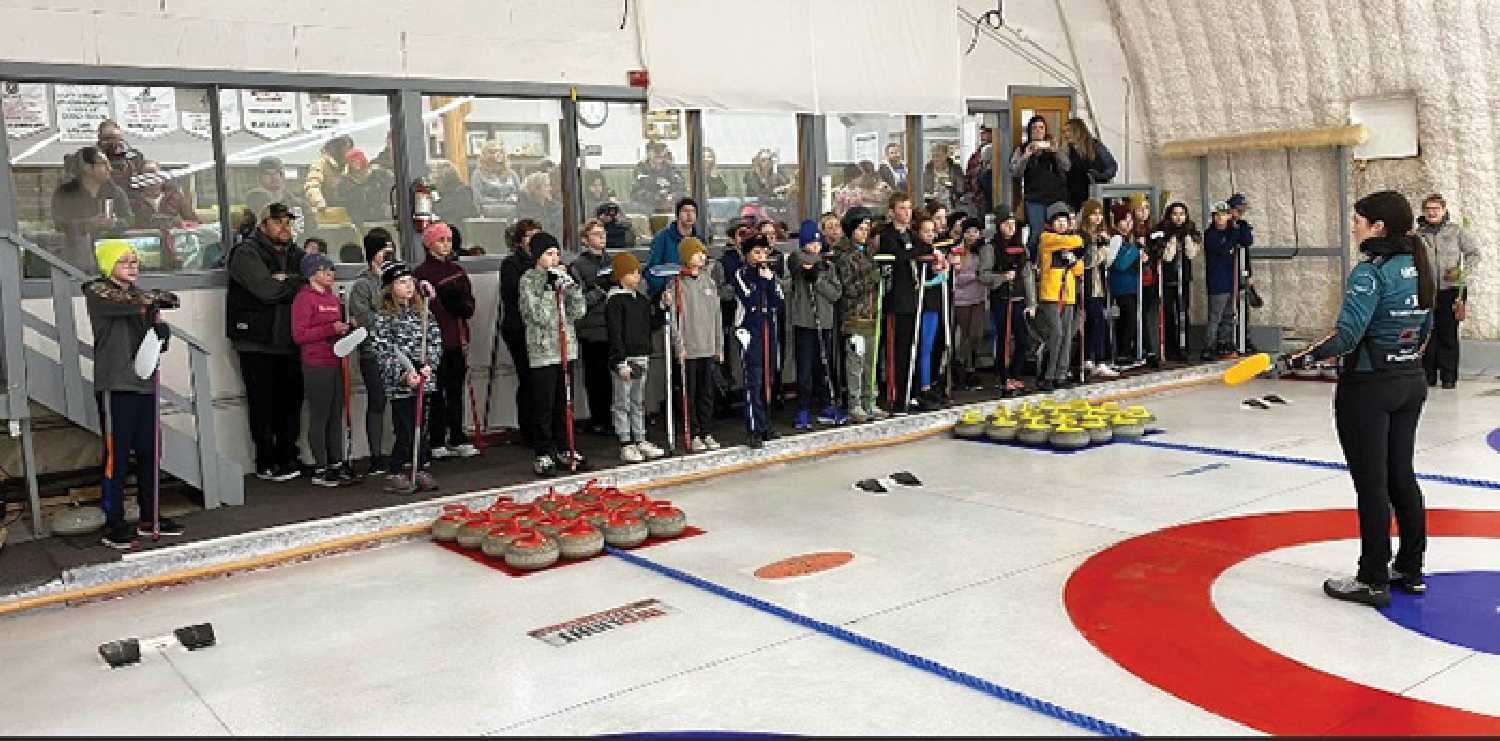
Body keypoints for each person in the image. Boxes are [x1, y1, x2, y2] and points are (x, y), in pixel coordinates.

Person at [1284, 191, 1435, 608]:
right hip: (1410, 382)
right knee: (1401, 475)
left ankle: (1371, 578)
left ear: (1378, 227)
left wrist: (1300, 357)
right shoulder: (1418, 264)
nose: (1354, 226)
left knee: (1372, 484)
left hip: (1368, 389)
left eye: (1359, 220)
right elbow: (1425, 329)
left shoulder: (1370, 272)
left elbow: (1347, 335)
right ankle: (1410, 567)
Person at [84, 240, 185, 549]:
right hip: (116, 384)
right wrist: (152, 301)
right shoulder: (97, 291)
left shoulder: (141, 299)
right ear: (108, 265)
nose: (132, 266)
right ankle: (113, 522)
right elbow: (130, 302)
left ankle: (149, 516)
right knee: (117, 457)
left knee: (150, 452)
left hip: (145, 384)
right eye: (124, 261)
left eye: (135, 261)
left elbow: (171, 300)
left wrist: (160, 337)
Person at [226, 203, 308, 482]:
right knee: (263, 403)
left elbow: (314, 280)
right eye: (277, 221)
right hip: (257, 341)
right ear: (262, 224)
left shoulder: (297, 253)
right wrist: (293, 283)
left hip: (290, 340)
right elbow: (266, 290)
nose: (285, 227)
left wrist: (289, 280)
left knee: (291, 403)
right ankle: (266, 461)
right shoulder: (245, 252)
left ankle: (289, 456)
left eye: (288, 221)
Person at [520, 232, 588, 476]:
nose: (555, 258)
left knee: (564, 403)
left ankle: (565, 447)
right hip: (542, 351)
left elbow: (578, 312)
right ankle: (543, 452)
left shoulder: (563, 276)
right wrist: (551, 290)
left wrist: (572, 290)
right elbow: (537, 315)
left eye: (556, 253)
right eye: (549, 254)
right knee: (544, 405)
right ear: (538, 257)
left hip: (565, 349)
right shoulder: (528, 280)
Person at [371, 260, 441, 492]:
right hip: (401, 385)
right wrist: (403, 375)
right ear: (390, 287)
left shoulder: (423, 312)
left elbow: (434, 340)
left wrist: (429, 365)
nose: (409, 286)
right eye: (401, 282)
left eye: (410, 281)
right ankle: (396, 469)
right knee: (406, 429)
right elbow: (384, 352)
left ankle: (418, 467)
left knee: (423, 427)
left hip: (424, 381)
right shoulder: (384, 317)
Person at [412, 222, 480, 460]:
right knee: (435, 391)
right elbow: (419, 307)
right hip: (433, 341)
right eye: (441, 240)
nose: (446, 245)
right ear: (430, 244)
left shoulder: (458, 271)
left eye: (449, 240)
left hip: (455, 337)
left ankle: (458, 436)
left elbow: (469, 302)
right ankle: (437, 438)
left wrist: (463, 306)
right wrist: (438, 301)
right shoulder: (421, 274)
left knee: (455, 389)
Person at [291, 251, 353, 487]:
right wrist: (330, 329)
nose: (330, 274)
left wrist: (347, 328)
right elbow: (299, 335)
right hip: (316, 362)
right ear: (311, 274)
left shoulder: (332, 298)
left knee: (335, 413)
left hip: (336, 360)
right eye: (323, 270)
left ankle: (336, 461)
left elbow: (336, 325)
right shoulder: (304, 299)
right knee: (320, 415)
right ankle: (321, 465)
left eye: (331, 269)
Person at [663, 237, 726, 449]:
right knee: (689, 394)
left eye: (703, 252)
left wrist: (719, 346)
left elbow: (717, 316)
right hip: (689, 350)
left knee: (706, 393)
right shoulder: (676, 284)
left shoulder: (709, 282)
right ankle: (694, 433)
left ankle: (707, 431)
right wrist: (678, 346)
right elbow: (673, 319)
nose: (702, 256)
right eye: (696, 252)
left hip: (708, 347)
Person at [782, 221, 845, 429]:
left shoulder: (828, 265)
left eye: (818, 243)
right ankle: (803, 409)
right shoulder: (796, 258)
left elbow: (835, 293)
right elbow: (798, 268)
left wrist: (818, 278)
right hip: (805, 322)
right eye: (812, 243)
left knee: (824, 366)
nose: (816, 247)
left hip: (824, 322)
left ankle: (827, 404)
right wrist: (810, 270)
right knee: (805, 369)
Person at [605, 252, 666, 463]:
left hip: (642, 356)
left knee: (638, 401)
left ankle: (640, 438)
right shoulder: (614, 301)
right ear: (620, 276)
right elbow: (615, 333)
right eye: (631, 273)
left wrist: (661, 307)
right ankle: (625, 441)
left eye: (638, 273)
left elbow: (652, 325)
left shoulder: (641, 300)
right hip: (625, 358)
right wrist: (620, 361)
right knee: (622, 401)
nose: (636, 277)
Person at [875, 193, 934, 412]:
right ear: (892, 212)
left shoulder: (911, 234)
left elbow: (925, 248)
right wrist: (913, 252)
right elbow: (899, 257)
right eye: (902, 208)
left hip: (913, 299)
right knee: (896, 350)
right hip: (896, 301)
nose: (907, 212)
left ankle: (913, 392)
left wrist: (923, 253)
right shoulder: (887, 235)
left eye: (909, 208)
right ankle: (896, 395)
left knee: (913, 347)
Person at [1416, 193, 1480, 389]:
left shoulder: (1456, 231)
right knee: (1428, 333)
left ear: (1444, 210)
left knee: (1448, 333)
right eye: (1428, 209)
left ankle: (1449, 377)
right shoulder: (1418, 235)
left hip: (1452, 290)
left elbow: (1473, 254)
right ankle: (1428, 376)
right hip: (1427, 290)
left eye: (1436, 208)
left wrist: (1462, 272)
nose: (1432, 212)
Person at [348, 229, 394, 475]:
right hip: (372, 351)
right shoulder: (362, 285)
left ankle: (400, 450)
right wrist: (388, 317)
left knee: (400, 401)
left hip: (399, 349)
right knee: (377, 401)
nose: (388, 255)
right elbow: (364, 319)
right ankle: (376, 455)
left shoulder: (398, 279)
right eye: (384, 250)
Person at [833, 207, 884, 423]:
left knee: (870, 361)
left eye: (867, 228)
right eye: (861, 228)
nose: (865, 232)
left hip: (872, 313)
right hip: (854, 316)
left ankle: (869, 400)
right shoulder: (843, 254)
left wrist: (883, 280)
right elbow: (848, 287)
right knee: (856, 361)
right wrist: (872, 278)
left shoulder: (869, 251)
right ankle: (854, 403)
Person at [733, 235, 784, 448]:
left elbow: (778, 301)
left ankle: (766, 424)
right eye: (756, 252)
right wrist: (762, 281)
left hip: (768, 329)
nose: (762, 257)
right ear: (747, 255)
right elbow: (750, 299)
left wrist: (769, 280)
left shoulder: (770, 275)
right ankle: (753, 428)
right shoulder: (741, 274)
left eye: (764, 252)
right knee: (753, 381)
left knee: (767, 379)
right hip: (750, 330)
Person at [979, 206, 1036, 395]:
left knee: (1024, 339)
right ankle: (1003, 376)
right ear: (999, 225)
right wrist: (1002, 277)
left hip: (1018, 298)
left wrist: (1031, 302)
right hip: (1001, 298)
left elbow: (1027, 276)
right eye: (1006, 224)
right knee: (1004, 338)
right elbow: (983, 276)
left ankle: (1014, 373)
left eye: (1013, 224)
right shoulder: (990, 248)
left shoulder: (1022, 248)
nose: (1011, 228)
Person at [569, 219, 616, 436]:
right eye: (596, 234)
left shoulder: (613, 261)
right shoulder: (578, 266)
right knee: (595, 377)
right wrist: (599, 290)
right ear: (586, 240)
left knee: (614, 375)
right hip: (591, 329)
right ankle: (599, 418)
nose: (602, 237)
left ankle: (613, 417)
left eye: (603, 233)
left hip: (613, 325)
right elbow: (578, 301)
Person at [53, 145, 133, 271]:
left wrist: (115, 223)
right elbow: (59, 225)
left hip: (111, 260)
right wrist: (89, 224)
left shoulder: (116, 192)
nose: (110, 168)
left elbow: (130, 220)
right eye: (104, 164)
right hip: (75, 261)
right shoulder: (65, 194)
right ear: (88, 168)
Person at [500, 218, 543, 447]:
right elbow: (514, 294)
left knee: (543, 380)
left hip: (542, 328)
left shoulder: (546, 261)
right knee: (528, 378)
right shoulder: (511, 264)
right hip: (519, 328)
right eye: (529, 236)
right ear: (520, 241)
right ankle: (529, 429)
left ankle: (545, 428)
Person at [1034, 203, 1085, 391]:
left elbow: (1079, 268)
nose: (1062, 224)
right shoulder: (1047, 238)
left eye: (1065, 221)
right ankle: (1047, 374)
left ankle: (1061, 374)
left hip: (1069, 294)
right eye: (1059, 221)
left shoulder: (1067, 241)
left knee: (1067, 335)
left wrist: (1073, 260)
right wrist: (1076, 244)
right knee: (1056, 334)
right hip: (1051, 295)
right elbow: (1078, 242)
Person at [1009, 115, 1071, 261]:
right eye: (1034, 128)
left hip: (1055, 198)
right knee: (1036, 232)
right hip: (1034, 199)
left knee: (1059, 231)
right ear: (1030, 132)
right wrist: (1026, 155)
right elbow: (1015, 172)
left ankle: (1055, 261)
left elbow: (1067, 166)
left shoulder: (1053, 146)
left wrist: (1056, 152)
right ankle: (1031, 262)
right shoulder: (1022, 149)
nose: (1038, 131)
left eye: (1041, 128)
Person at [1077, 200, 1118, 378]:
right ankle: (1097, 360)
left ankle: (1091, 358)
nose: (1097, 217)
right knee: (1096, 321)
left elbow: (1107, 262)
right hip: (1086, 286)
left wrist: (1106, 247)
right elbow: (1088, 262)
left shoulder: (1099, 235)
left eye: (1099, 214)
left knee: (1095, 321)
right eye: (1093, 214)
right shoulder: (1081, 236)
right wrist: (1102, 249)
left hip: (1098, 285)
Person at [1157, 202, 1200, 362]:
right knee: (1168, 315)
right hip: (1168, 280)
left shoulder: (1190, 232)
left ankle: (1184, 346)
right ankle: (1169, 348)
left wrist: (1187, 239)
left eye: (1182, 214)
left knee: (1183, 313)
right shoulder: (1162, 232)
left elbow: (1192, 254)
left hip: (1184, 279)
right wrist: (1171, 242)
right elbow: (1165, 256)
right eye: (1175, 214)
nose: (1178, 217)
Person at [950, 217, 987, 390]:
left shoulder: (983, 251)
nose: (972, 235)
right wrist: (975, 276)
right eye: (969, 232)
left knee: (977, 334)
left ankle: (970, 365)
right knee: (965, 335)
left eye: (976, 232)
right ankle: (965, 369)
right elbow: (955, 278)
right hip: (962, 300)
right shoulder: (957, 251)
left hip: (979, 299)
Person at [645, 197, 701, 297]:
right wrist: (668, 286)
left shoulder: (698, 241)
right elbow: (651, 271)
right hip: (668, 294)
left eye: (693, 211)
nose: (689, 215)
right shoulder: (662, 238)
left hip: (693, 295)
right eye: (685, 211)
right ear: (677, 215)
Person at [1061, 118, 1118, 211]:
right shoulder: (1066, 150)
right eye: (1064, 132)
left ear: (1078, 130)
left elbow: (1112, 166)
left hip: (1096, 196)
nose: (1066, 135)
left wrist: (1101, 176)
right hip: (1075, 199)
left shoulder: (1096, 146)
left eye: (1068, 131)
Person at [244, 156, 314, 230]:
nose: (274, 177)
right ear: (259, 178)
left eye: (277, 173)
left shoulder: (299, 205)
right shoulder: (253, 204)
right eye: (268, 174)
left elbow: (311, 233)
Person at [1225, 192, 1257, 352]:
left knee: (1244, 307)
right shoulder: (1223, 225)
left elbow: (1247, 241)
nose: (1239, 213)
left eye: (1242, 211)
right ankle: (1228, 340)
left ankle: (1245, 338)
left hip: (1242, 269)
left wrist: (1249, 274)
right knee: (1229, 309)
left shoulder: (1243, 225)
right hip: (1227, 273)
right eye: (1237, 210)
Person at [129, 161, 195, 229]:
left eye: (155, 174)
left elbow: (195, 224)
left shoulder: (177, 198)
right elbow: (128, 227)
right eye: (148, 175)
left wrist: (178, 224)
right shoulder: (133, 203)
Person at [631, 141, 686, 214]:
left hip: (671, 208)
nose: (659, 152)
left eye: (662, 149)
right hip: (648, 209)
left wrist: (672, 197)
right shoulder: (640, 169)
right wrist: (656, 197)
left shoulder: (672, 169)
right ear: (648, 153)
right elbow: (635, 194)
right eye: (655, 150)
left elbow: (682, 190)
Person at [304, 135, 354, 212]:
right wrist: (319, 201)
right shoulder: (320, 164)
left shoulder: (349, 165)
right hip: (326, 210)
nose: (349, 152)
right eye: (346, 148)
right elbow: (312, 186)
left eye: (350, 148)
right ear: (336, 148)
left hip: (347, 209)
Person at [95, 120, 146, 193]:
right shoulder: (90, 156)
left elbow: (143, 181)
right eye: (108, 138)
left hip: (129, 196)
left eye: (116, 139)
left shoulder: (134, 156)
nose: (113, 143)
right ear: (100, 138)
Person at [472, 140, 520, 216]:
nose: (497, 154)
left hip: (513, 216)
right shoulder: (478, 174)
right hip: (489, 216)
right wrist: (502, 202)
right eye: (492, 152)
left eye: (500, 151)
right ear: (485, 155)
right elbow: (478, 199)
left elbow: (520, 195)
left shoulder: (512, 174)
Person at [518, 171, 562, 236]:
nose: (550, 189)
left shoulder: (555, 206)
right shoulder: (526, 209)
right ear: (536, 189)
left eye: (549, 185)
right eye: (546, 186)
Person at [923, 142, 965, 210]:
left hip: (951, 208)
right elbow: (924, 190)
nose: (935, 158)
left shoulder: (955, 169)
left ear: (946, 155)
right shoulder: (928, 170)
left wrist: (949, 186)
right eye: (933, 156)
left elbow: (961, 190)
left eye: (938, 155)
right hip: (932, 208)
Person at [964, 124, 994, 215]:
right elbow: (968, 177)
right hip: (977, 200)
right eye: (982, 132)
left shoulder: (998, 153)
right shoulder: (976, 155)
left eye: (987, 132)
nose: (983, 135)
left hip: (991, 198)